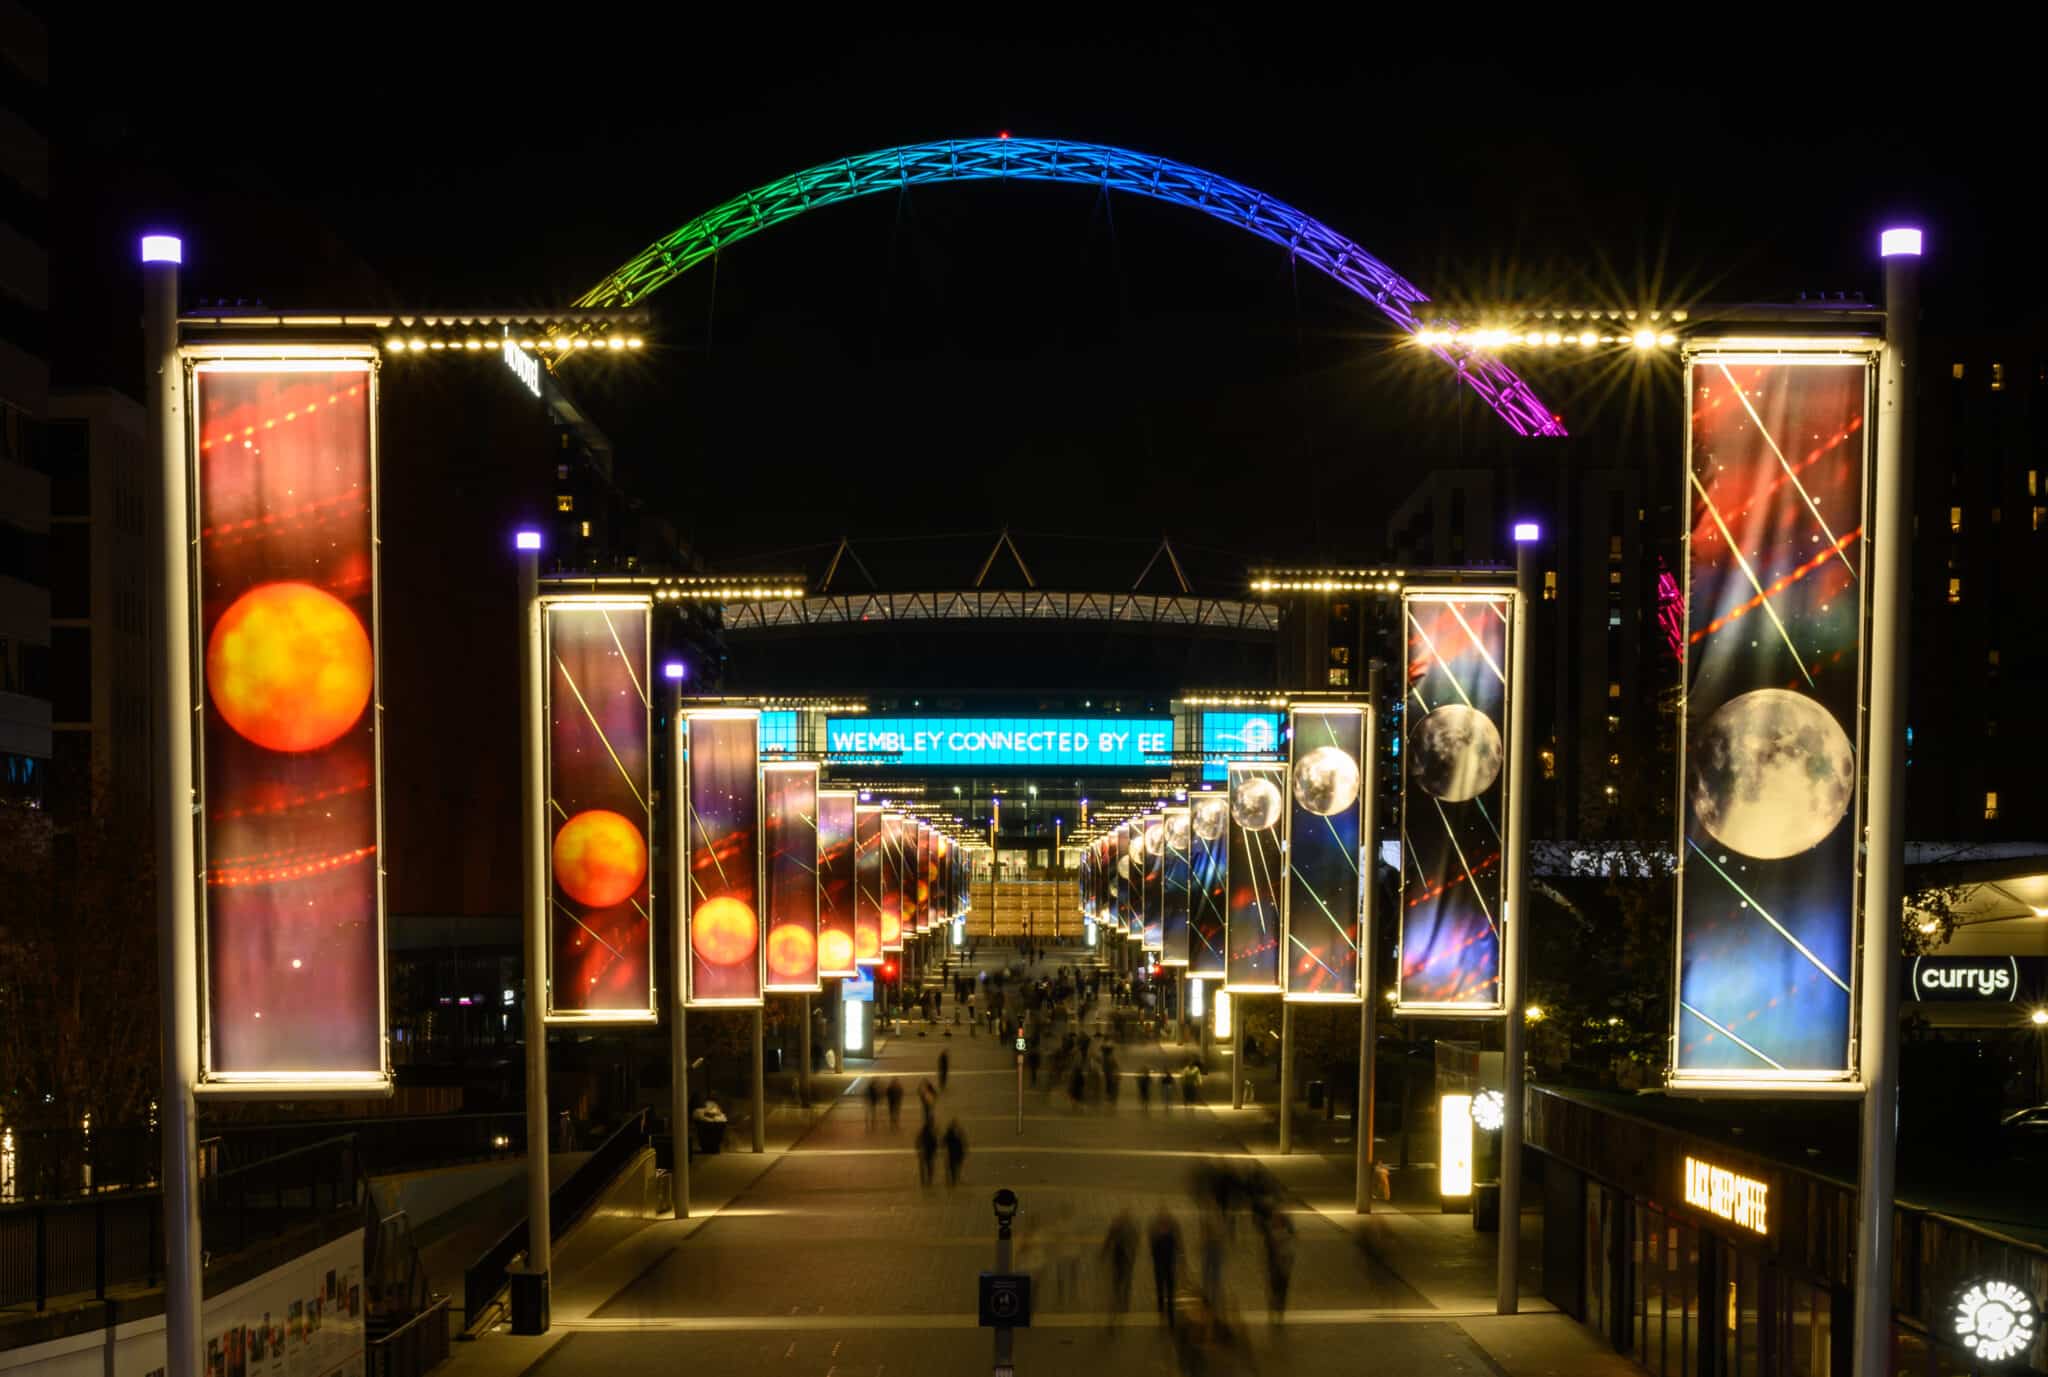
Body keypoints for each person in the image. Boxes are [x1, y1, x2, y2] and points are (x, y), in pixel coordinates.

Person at [1148, 1209, 1183, 1327]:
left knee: (1170, 1291)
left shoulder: (1169, 1236)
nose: (1164, 1224)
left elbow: (1178, 1248)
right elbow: (1153, 1252)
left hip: (1168, 1268)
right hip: (1160, 1268)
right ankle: (1162, 1313)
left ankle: (1170, 1317)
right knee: (1161, 1291)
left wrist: (1181, 1260)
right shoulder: (1157, 1238)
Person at [1102, 1211, 1139, 1317]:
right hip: (1123, 1258)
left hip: (1124, 1258)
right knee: (1121, 1280)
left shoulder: (1125, 1228)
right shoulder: (1122, 1227)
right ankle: (1121, 1302)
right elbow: (1109, 1240)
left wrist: (1103, 1253)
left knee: (1122, 1280)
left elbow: (1108, 1241)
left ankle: (1121, 1302)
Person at [1261, 1210, 1296, 1323]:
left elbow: (1291, 1251)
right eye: (1275, 1219)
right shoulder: (1270, 1233)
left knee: (1283, 1290)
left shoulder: (1286, 1234)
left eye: (1278, 1219)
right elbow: (1267, 1251)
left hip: (1284, 1266)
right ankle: (1273, 1309)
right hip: (1274, 1266)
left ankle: (1280, 1312)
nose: (1276, 1221)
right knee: (1274, 1288)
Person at [942, 1119, 967, 1186]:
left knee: (952, 1167)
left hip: (953, 1153)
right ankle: (953, 1180)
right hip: (954, 1153)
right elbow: (962, 1143)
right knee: (953, 1167)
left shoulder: (952, 1134)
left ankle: (953, 1180)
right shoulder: (956, 1134)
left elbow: (943, 1142)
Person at [915, 1118, 938, 1186]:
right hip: (927, 1152)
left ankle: (925, 1180)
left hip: (925, 1152)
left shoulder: (923, 1132)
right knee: (929, 1167)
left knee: (925, 1167)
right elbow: (934, 1143)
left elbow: (918, 1141)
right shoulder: (930, 1133)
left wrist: (918, 1149)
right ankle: (928, 1180)